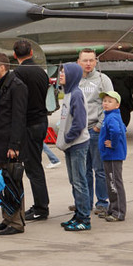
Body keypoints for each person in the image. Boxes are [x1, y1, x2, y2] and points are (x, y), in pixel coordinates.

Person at [0, 53, 28, 236]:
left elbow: (19, 117)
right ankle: (7, 218)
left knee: (12, 183)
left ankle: (16, 223)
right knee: (1, 184)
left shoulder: (17, 86)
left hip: (9, 145)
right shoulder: (0, 86)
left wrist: (14, 145)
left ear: (2, 67)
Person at [12, 40, 51, 222]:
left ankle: (41, 208)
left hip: (29, 123)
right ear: (32, 52)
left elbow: (18, 104)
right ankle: (40, 205)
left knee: (33, 168)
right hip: (41, 120)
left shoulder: (18, 73)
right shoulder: (40, 72)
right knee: (35, 166)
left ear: (14, 55)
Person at [77, 48, 113, 215]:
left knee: (99, 169)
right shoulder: (75, 80)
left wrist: (99, 125)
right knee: (84, 170)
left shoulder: (102, 79)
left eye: (91, 60)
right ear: (79, 62)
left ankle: (102, 202)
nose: (89, 63)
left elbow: (109, 103)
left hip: (96, 130)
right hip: (80, 133)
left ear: (96, 62)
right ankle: (86, 201)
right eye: (85, 60)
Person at [56, 63, 91, 231]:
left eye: (64, 72)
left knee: (79, 182)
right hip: (70, 145)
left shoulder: (76, 94)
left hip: (76, 144)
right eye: (61, 71)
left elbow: (79, 123)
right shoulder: (68, 94)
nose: (61, 74)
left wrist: (67, 138)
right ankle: (78, 214)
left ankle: (84, 218)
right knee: (74, 181)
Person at [98, 90, 127, 222]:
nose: (106, 104)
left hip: (113, 155)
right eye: (104, 101)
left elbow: (116, 131)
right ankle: (112, 208)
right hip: (108, 155)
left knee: (114, 182)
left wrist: (113, 144)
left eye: (110, 101)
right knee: (110, 183)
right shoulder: (109, 116)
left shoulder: (112, 117)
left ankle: (119, 211)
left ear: (117, 105)